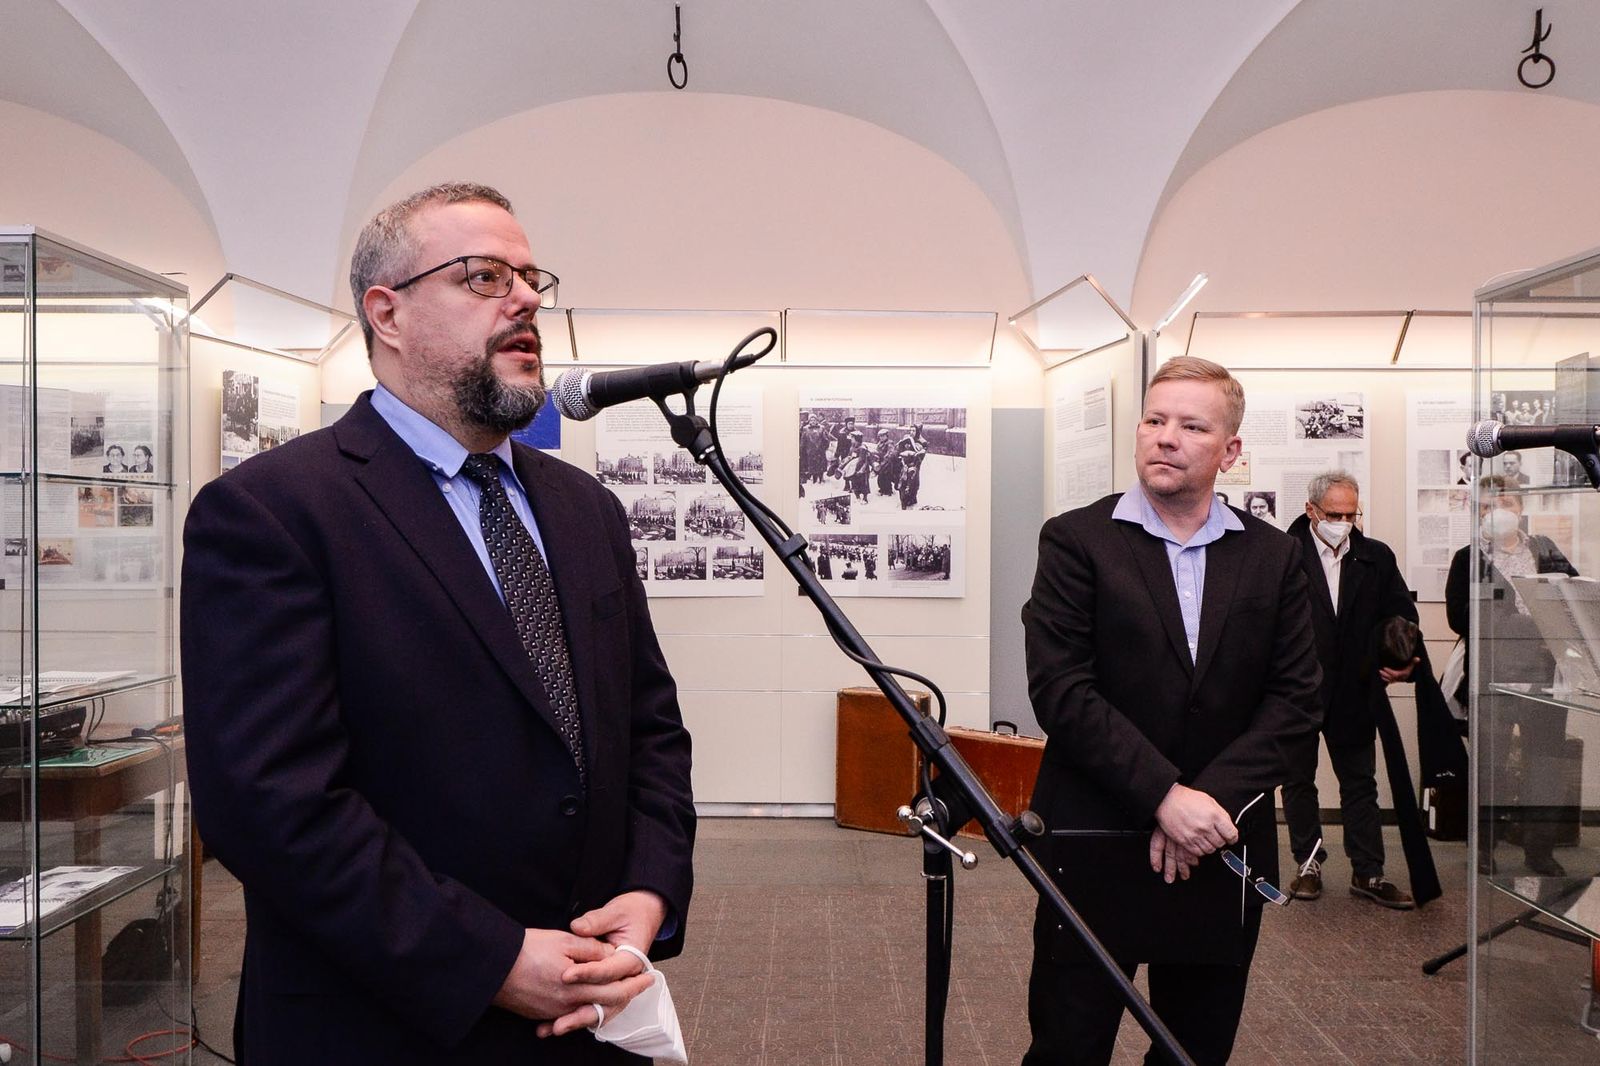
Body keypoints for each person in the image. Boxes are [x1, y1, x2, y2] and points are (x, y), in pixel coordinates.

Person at [181, 182, 696, 1064]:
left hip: (589, 1010)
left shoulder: (586, 511)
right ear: (388, 311)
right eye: (485, 276)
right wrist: (489, 958)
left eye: (532, 278)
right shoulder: (272, 511)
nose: (528, 300)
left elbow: (648, 728)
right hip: (381, 1019)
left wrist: (649, 890)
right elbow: (270, 805)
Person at [1021, 356, 1320, 1065]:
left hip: (1219, 840)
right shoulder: (1076, 542)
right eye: (1155, 421)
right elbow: (1062, 689)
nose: (1166, 437)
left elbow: (1296, 698)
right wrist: (1162, 795)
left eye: (1191, 425)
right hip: (1095, 838)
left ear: (1231, 450)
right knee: (1069, 1043)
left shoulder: (1273, 558)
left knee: (1194, 1049)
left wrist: (1201, 803)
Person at [1281, 472, 1419, 909]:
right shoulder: (1285, 554)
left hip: (1355, 690)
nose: (1343, 522)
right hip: (1297, 691)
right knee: (1299, 781)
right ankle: (1308, 864)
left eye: (1350, 514)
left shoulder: (1375, 557)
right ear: (1311, 511)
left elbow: (1401, 612)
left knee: (1360, 783)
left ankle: (1369, 871)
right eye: (1334, 514)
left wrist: (1403, 662)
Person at [1446, 475, 1576, 877]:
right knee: (1490, 768)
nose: (1499, 511)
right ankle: (1483, 848)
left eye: (1506, 502)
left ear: (1521, 507)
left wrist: (1514, 622)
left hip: (1544, 677)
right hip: (1493, 677)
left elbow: (1569, 601)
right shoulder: (1468, 558)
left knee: (1545, 769)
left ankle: (1539, 851)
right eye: (1489, 505)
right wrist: (1525, 623)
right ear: (1479, 511)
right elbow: (1461, 618)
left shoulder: (1546, 550)